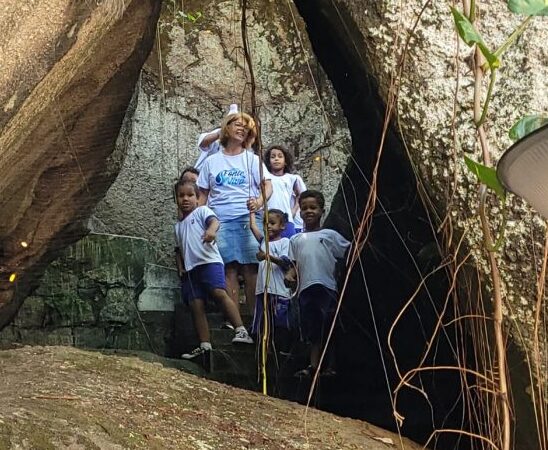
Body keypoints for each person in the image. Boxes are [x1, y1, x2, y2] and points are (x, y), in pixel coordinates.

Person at [197, 112, 272, 313]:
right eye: (237, 124)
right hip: (220, 219)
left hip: (247, 217)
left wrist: (258, 201)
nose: (242, 129)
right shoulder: (211, 161)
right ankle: (235, 321)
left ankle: (252, 318)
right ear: (226, 128)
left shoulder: (252, 159)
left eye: (246, 127)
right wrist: (199, 220)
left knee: (250, 267)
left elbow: (267, 185)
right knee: (228, 267)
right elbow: (202, 195)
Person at [174, 181, 253, 366]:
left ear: (198, 197)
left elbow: (214, 222)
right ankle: (205, 344)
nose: (185, 199)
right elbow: (178, 249)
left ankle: (241, 330)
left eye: (190, 195)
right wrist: (181, 267)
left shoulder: (202, 212)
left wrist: (210, 231)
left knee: (219, 293)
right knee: (196, 305)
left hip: (209, 262)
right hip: (191, 270)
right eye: (181, 195)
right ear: (176, 199)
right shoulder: (177, 227)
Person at [284, 190, 350, 377]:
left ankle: (331, 366)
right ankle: (314, 366)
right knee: (311, 327)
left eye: (313, 207)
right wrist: (290, 275)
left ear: (322, 210)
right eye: (304, 208)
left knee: (328, 324)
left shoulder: (330, 235)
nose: (308, 211)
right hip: (305, 288)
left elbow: (349, 252)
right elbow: (294, 265)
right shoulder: (295, 239)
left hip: (326, 285)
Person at [249, 210, 292, 353]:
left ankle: (282, 349)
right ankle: (265, 349)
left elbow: (285, 263)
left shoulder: (285, 242)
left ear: (282, 226)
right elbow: (253, 228)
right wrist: (252, 212)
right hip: (263, 290)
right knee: (264, 320)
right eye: (265, 223)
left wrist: (267, 256)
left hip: (278, 290)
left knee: (279, 320)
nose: (268, 226)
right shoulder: (263, 242)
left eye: (272, 223)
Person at [264, 145, 303, 238]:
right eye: (273, 157)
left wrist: (292, 211)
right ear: (268, 162)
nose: (276, 159)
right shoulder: (266, 178)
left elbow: (300, 195)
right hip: (269, 220)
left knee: (288, 246)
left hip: (287, 220)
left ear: (285, 161)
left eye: (280, 156)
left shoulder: (291, 178)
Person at [195, 104, 239, 171]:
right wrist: (220, 134)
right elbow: (203, 143)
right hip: (200, 173)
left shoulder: (241, 141)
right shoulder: (217, 134)